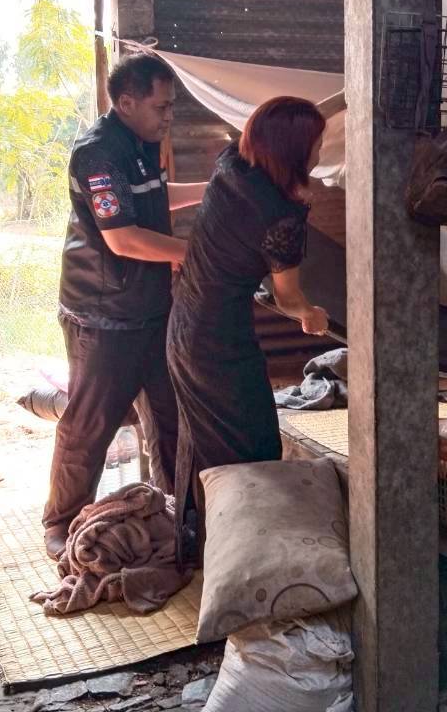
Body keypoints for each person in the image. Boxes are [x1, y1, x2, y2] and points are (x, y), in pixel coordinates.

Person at [46, 53, 207, 560]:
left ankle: (180, 514)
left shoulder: (142, 145)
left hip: (150, 309)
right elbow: (122, 238)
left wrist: (212, 190)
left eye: (172, 106)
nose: (169, 117)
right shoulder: (98, 154)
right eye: (162, 107)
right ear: (126, 102)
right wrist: (196, 254)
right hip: (103, 315)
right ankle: (61, 523)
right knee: (89, 426)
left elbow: (154, 201)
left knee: (171, 417)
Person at [166, 97, 329, 566]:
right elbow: (287, 297)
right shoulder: (282, 215)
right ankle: (249, 561)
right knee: (252, 450)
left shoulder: (230, 164)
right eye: (316, 145)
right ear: (294, 150)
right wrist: (311, 314)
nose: (319, 153)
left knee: (204, 444)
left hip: (183, 327)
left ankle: (201, 548)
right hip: (219, 344)